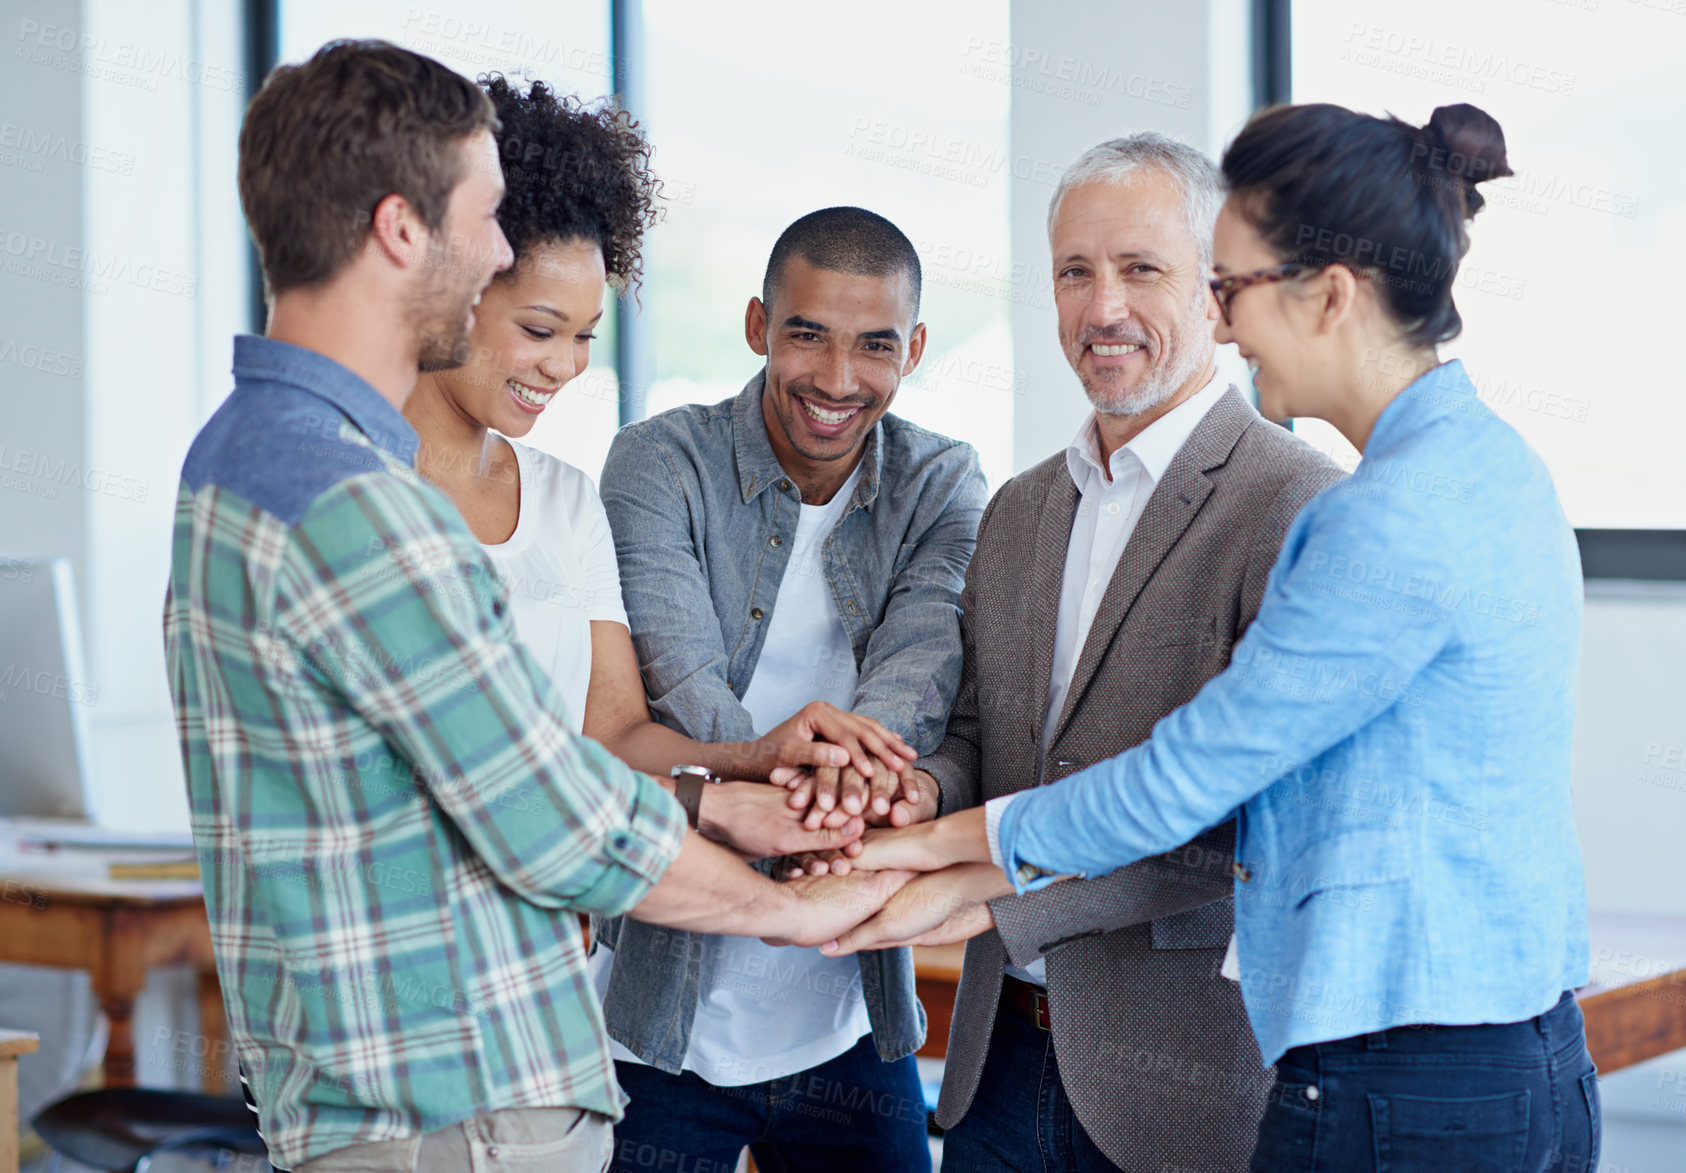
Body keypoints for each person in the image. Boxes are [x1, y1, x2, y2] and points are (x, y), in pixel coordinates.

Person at [163, 41, 909, 1173]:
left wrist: (722, 794)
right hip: (454, 1104)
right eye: (487, 217)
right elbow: (555, 818)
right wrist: (802, 914)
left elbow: (557, 766)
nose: (499, 248)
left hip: (369, 1091)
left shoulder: (235, 456)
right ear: (403, 230)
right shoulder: (362, 508)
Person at [834, 102, 1599, 1173]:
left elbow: (1192, 782)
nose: (1230, 325)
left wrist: (937, 860)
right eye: (1071, 271)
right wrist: (924, 813)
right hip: (1454, 1056)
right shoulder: (1482, 464)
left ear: (1327, 293)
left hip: (1392, 1077)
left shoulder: (1364, 511)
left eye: (1220, 286)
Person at [794, 134, 1342, 1173]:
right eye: (1073, 272)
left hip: (1181, 1082)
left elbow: (1244, 823)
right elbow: (980, 736)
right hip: (998, 1069)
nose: (1101, 309)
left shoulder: (1294, 505)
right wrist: (917, 797)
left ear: (1217, 293)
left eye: (1140, 269)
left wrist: (978, 887)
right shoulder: (1018, 508)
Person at [402, 75, 908, 865]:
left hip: (543, 960)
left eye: (584, 336)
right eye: (541, 328)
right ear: (450, 292)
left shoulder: (564, 501)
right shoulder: (354, 499)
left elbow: (615, 737)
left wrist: (757, 759)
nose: (565, 367)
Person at [592, 207, 987, 1173]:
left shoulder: (942, 482)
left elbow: (919, 677)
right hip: (652, 1027)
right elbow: (681, 694)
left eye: (875, 345)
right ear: (758, 325)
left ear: (916, 348)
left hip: (845, 1022)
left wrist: (829, 794)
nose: (837, 379)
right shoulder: (658, 462)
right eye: (807, 333)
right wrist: (812, 804)